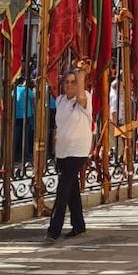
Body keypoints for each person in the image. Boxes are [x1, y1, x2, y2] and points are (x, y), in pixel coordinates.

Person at [46, 66, 94, 242]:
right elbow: (59, 125)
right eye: (66, 82)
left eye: (73, 82)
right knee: (71, 189)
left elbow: (81, 97)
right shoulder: (59, 100)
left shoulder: (84, 97)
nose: (69, 85)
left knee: (63, 189)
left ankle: (54, 230)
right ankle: (78, 225)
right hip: (63, 150)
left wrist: (81, 77)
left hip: (77, 150)